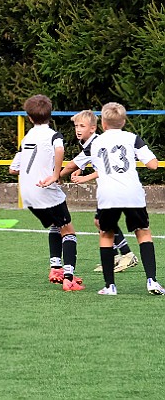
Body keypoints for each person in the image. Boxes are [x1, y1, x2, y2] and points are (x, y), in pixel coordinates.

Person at [70, 102, 164, 296]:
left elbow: (78, 164)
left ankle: (110, 286)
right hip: (132, 193)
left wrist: (56, 176)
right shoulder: (132, 138)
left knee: (106, 235)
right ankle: (152, 281)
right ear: (123, 121)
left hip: (108, 194)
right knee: (143, 233)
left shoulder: (95, 143)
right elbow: (153, 165)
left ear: (103, 124)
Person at [9, 95, 84, 291]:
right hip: (46, 191)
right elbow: (59, 150)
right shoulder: (54, 135)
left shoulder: (26, 138)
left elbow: (13, 169)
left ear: (30, 118)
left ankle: (55, 269)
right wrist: (55, 174)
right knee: (68, 230)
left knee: (55, 225)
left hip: (28, 194)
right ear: (50, 115)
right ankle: (69, 278)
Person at [60, 110, 138, 273]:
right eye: (76, 126)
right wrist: (80, 169)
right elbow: (79, 162)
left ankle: (127, 255)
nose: (78, 129)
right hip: (111, 186)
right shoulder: (88, 142)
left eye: (82, 126)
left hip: (117, 184)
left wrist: (60, 177)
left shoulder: (96, 143)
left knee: (102, 221)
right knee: (102, 221)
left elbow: (103, 167)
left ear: (93, 128)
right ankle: (116, 256)